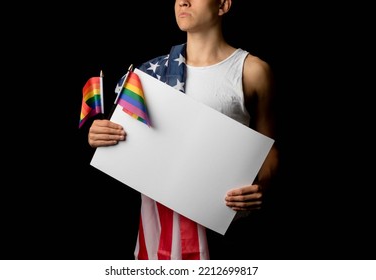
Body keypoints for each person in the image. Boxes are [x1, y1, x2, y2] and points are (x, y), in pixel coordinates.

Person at [88, 0, 278, 260]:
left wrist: (260, 187)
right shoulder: (149, 75)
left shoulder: (252, 71)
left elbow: (269, 149)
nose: (183, 2)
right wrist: (101, 135)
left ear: (222, 5)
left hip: (224, 224)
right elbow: (126, 139)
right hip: (161, 224)